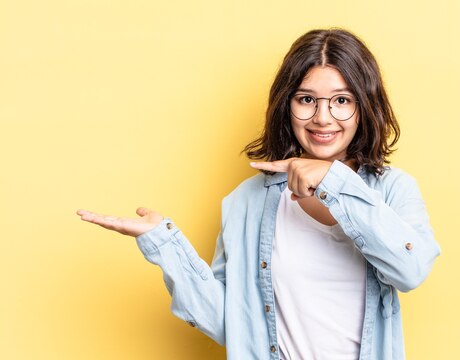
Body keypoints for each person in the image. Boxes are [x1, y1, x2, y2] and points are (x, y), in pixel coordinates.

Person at [76, 28, 441, 360]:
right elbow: (229, 324)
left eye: (342, 100)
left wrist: (333, 182)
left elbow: (410, 271)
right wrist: (166, 246)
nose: (323, 118)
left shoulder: (392, 189)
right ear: (287, 105)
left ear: (364, 107)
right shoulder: (246, 202)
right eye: (306, 99)